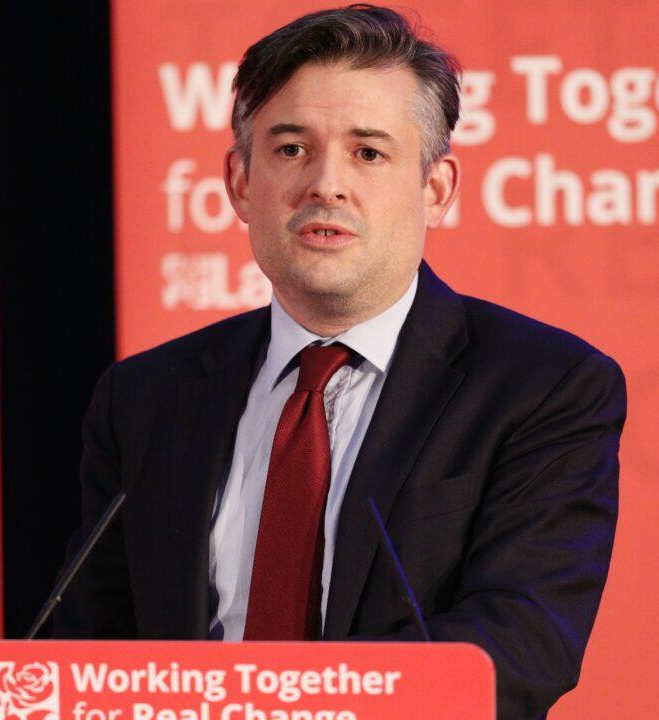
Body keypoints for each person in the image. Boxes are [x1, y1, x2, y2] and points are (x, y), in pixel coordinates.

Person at [52, 5, 626, 718]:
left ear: (436, 189)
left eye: (369, 152)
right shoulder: (145, 397)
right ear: (239, 182)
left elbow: (521, 646)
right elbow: (89, 649)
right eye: (290, 149)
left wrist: (283, 707)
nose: (326, 183)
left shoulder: (543, 388)